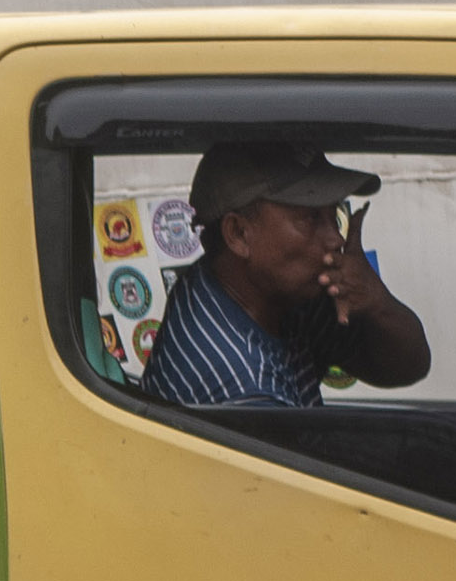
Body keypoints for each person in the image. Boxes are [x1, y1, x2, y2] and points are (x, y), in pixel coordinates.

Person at [141, 143, 432, 407]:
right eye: (310, 218)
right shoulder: (244, 386)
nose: (336, 239)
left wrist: (376, 300)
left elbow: (406, 367)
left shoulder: (260, 290)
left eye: (334, 215)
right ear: (238, 234)